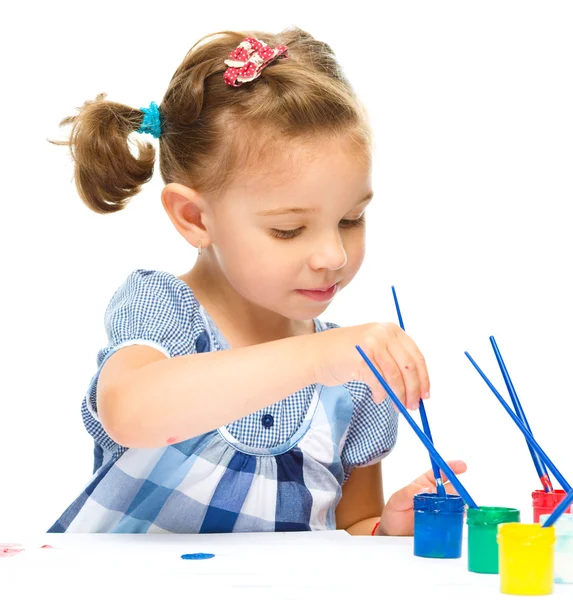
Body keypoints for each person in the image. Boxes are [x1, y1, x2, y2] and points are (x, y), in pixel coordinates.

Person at [48, 28, 466, 535]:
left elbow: (350, 528)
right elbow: (130, 411)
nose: (333, 255)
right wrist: (319, 358)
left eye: (351, 219)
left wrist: (389, 528)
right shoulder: (163, 309)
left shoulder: (353, 379)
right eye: (288, 229)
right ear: (194, 218)